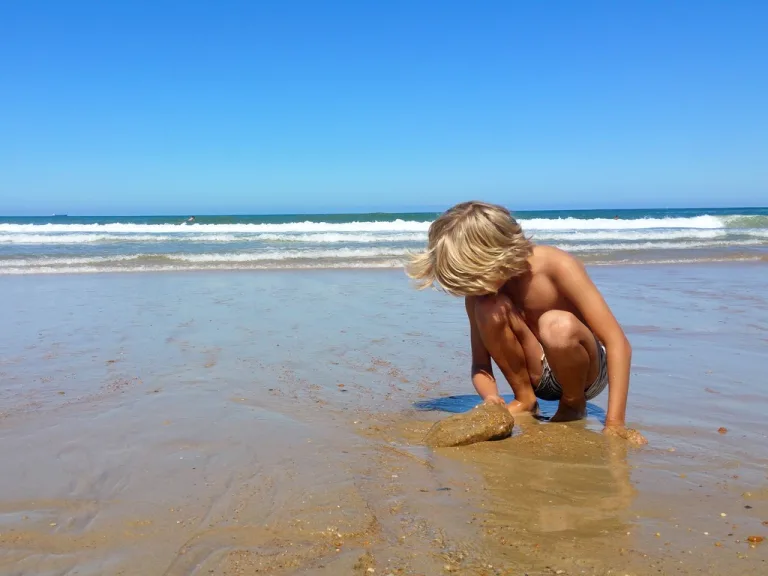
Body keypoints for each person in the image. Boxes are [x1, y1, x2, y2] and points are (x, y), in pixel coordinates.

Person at [406, 201, 646, 444]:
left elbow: (617, 343)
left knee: (557, 325)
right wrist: (491, 399)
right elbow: (480, 365)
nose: (478, 288)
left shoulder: (557, 265)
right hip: (538, 375)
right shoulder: (481, 294)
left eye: (477, 276)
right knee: (489, 307)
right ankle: (525, 400)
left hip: (587, 373)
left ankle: (573, 405)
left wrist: (615, 423)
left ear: (498, 254)